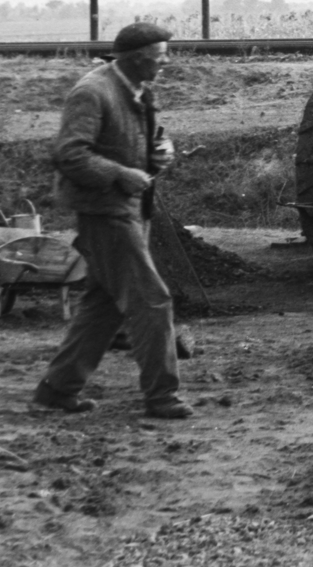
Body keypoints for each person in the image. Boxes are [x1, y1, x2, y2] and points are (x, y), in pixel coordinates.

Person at [30, 22, 193, 420]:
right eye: (160, 57)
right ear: (137, 59)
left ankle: (57, 389)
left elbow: (150, 138)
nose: (165, 63)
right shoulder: (93, 92)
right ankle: (161, 397)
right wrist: (119, 174)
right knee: (151, 301)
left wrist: (162, 151)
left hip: (133, 210)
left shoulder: (138, 90)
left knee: (103, 306)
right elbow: (69, 155)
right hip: (105, 213)